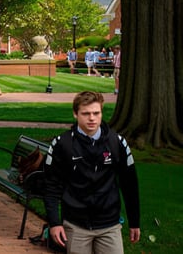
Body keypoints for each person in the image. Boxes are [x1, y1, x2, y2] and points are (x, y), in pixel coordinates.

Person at [43, 91, 140, 253]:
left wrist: (134, 222)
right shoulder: (62, 144)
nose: (92, 118)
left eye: (96, 113)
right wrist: (54, 222)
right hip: (76, 225)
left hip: (110, 225)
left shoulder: (117, 142)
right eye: (86, 113)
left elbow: (129, 184)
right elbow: (51, 185)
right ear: (75, 114)